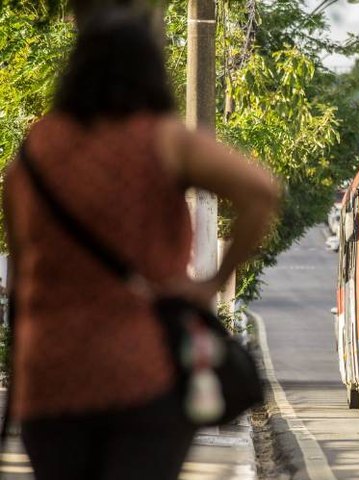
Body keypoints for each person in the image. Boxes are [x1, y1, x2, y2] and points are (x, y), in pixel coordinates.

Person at [2, 9, 280, 480]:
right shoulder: (162, 141)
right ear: (151, 70)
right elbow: (262, 192)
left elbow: (21, 276)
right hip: (141, 371)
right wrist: (211, 281)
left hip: (50, 376)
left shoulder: (34, 152)